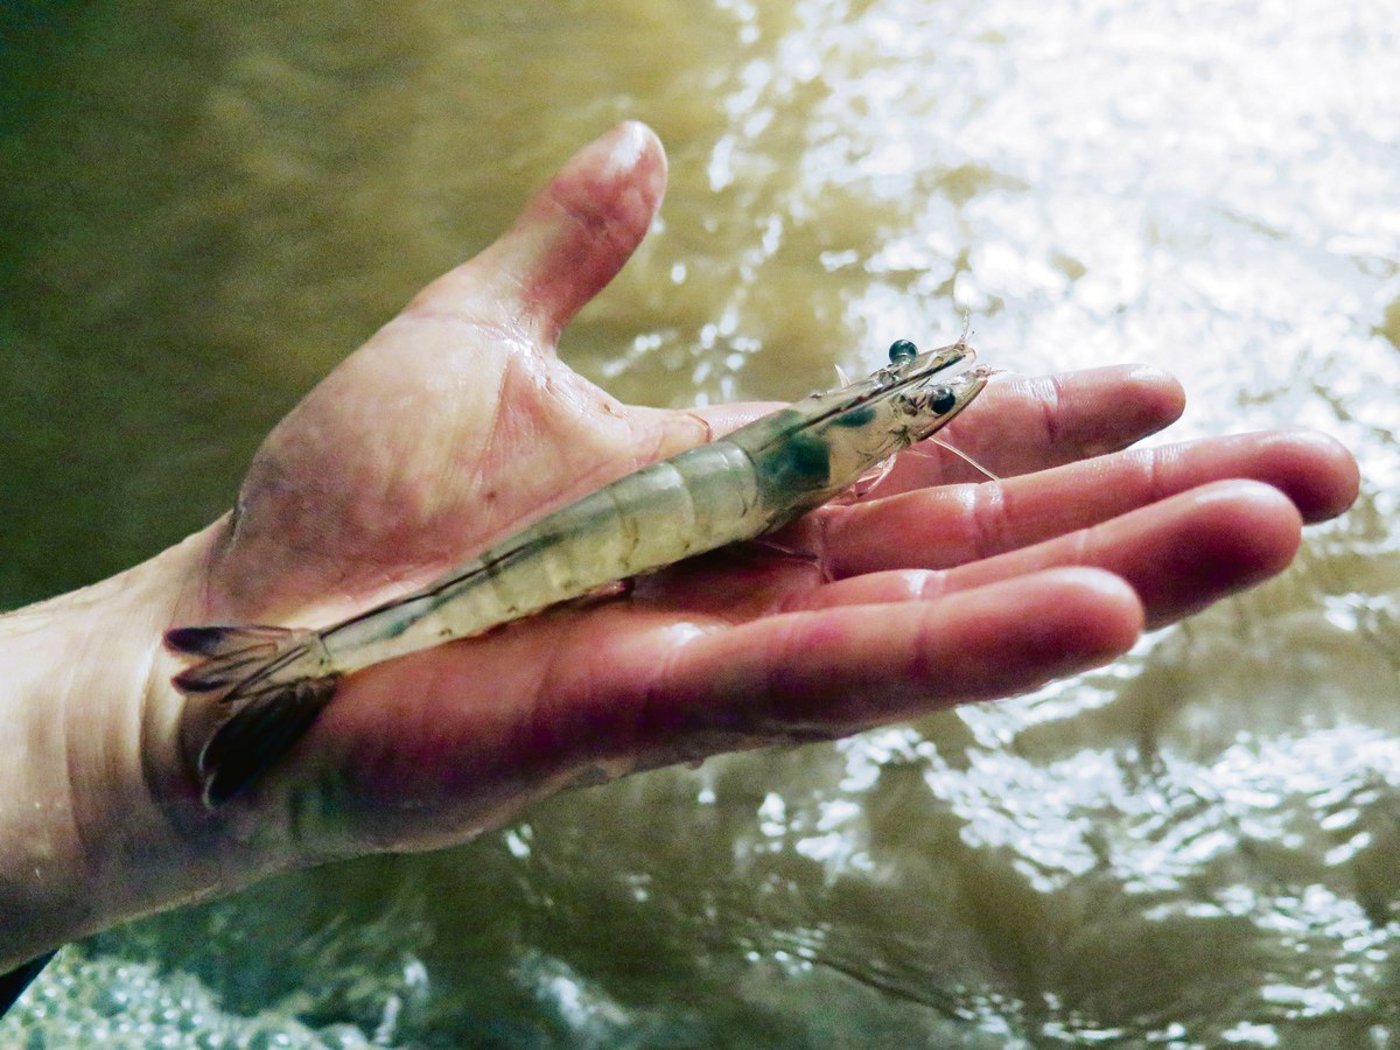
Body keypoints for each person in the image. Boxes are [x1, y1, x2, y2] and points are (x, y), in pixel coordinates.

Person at [0, 122, 1360, 988]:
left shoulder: (832, 443)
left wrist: (110, 761)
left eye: (925, 402)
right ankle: (279, 671)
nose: (929, 407)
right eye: (918, 398)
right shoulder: (829, 464)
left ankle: (270, 676)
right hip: (557, 556)